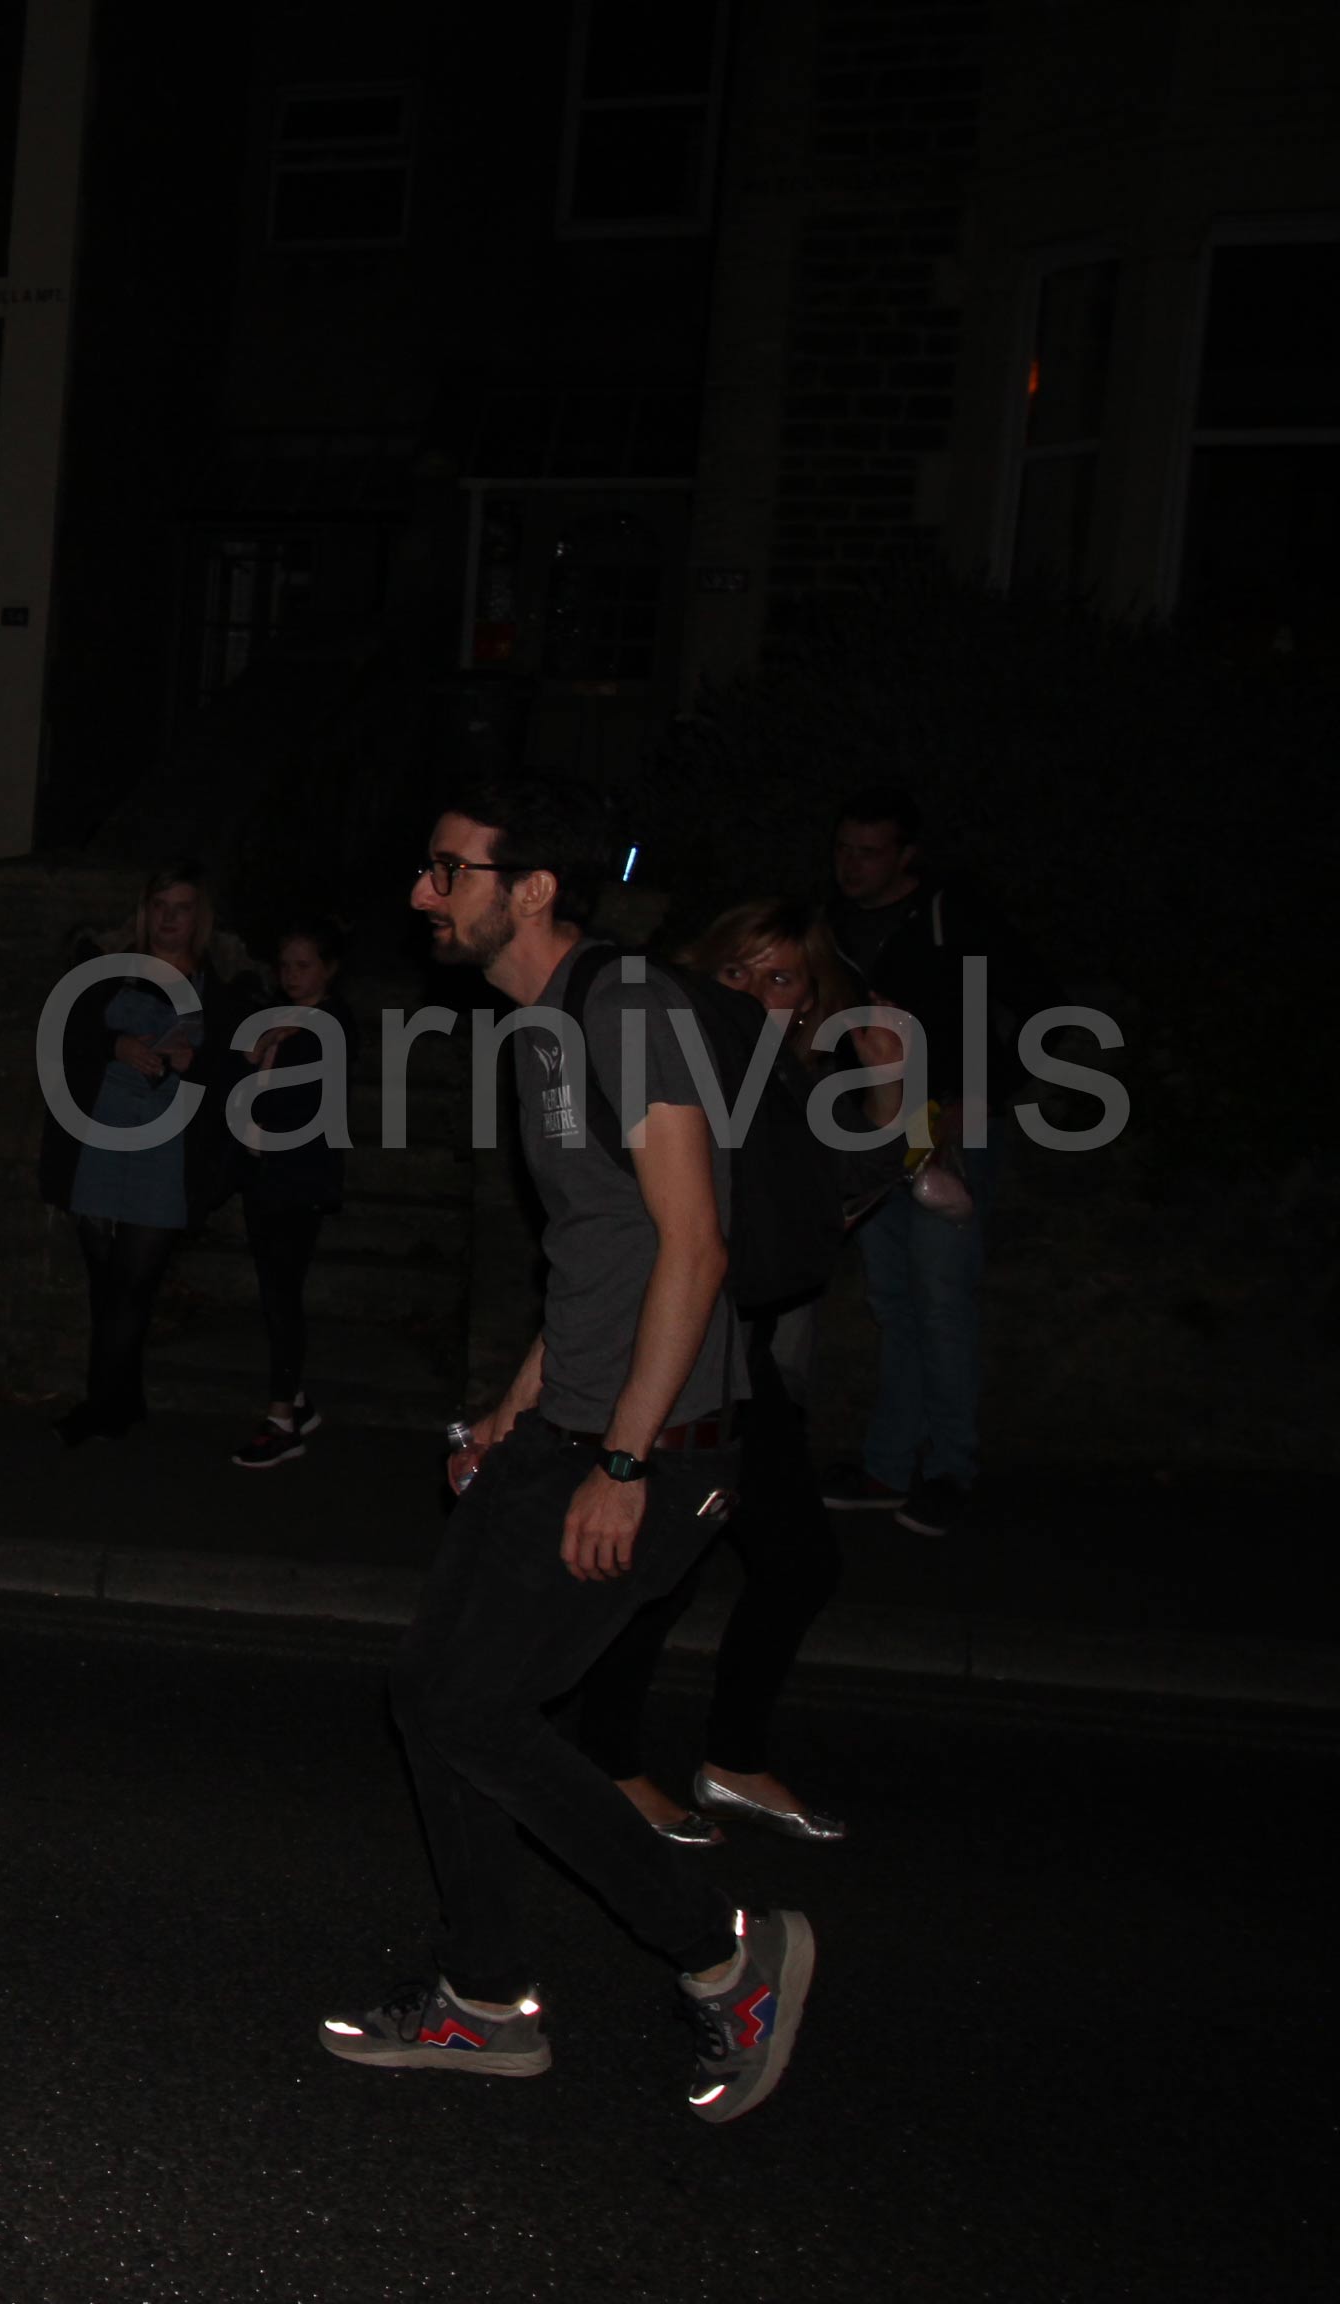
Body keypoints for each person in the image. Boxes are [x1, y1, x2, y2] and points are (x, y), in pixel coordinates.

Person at [319, 777, 813, 2126]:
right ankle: (483, 2001)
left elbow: (696, 1247)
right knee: (433, 1695)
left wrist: (628, 1464)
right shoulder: (540, 1028)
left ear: (531, 889)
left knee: (476, 1710)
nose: (423, 893)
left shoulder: (629, 1009)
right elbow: (599, 1251)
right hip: (567, 1428)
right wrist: (515, 1406)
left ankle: (725, 1958)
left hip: (653, 1447)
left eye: (449, 871)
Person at [574, 899, 901, 1846]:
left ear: (809, 999)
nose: (756, 993)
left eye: (780, 977)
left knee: (793, 1563)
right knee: (663, 1568)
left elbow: (844, 1193)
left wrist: (889, 1091)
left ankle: (731, 1758)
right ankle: (609, 1764)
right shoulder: (682, 1070)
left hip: (741, 1357)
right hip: (678, 1350)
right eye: (736, 973)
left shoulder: (788, 1083)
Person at [819, 789, 1056, 1538]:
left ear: (905, 856)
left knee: (942, 1299)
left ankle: (951, 1468)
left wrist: (975, 1100)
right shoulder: (832, 925)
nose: (851, 865)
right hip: (871, 1128)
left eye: (869, 852)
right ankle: (889, 1465)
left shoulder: (955, 917)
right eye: (843, 849)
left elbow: (1042, 1010)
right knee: (893, 1300)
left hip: (948, 1128)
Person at [47, 860, 263, 1447]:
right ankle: (123, 1398)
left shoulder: (219, 987)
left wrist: (197, 1061)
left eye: (182, 909)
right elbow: (67, 1036)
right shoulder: (108, 970)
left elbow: (237, 1066)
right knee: (104, 1281)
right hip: (102, 1131)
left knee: (134, 1282)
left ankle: (101, 1407)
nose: (169, 920)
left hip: (168, 1143)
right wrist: (115, 1044)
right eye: (161, 908)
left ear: (199, 917)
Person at [230, 914, 352, 1470]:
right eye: (285, 965)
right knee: (273, 1290)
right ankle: (296, 1401)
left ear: (329, 969)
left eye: (304, 965)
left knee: (282, 1295)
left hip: (297, 1179)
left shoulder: (333, 1024)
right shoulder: (275, 1016)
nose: (292, 975)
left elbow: (294, 1097)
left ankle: (281, 1420)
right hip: (265, 1176)